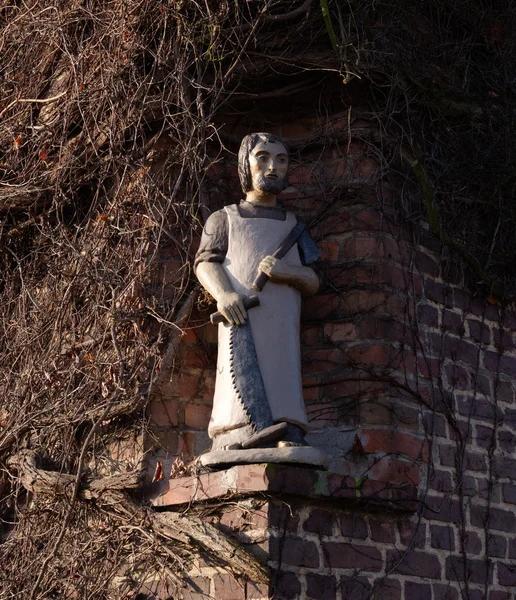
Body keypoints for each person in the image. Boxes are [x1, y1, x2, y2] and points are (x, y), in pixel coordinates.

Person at [195, 132, 320, 452]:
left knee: (282, 372)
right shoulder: (223, 219)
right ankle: (234, 430)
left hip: (282, 323)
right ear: (245, 164)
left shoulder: (295, 226)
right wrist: (224, 294)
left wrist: (286, 273)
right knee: (237, 373)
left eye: (281, 160)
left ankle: (287, 428)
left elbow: (312, 280)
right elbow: (205, 264)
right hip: (240, 318)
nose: (272, 167)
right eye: (262, 158)